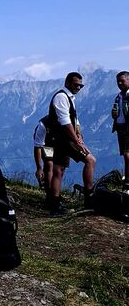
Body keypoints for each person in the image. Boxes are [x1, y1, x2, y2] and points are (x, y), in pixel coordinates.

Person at [47, 72, 96, 215]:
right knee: (90, 160)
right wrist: (77, 141)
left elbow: (74, 120)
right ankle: (89, 199)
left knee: (59, 170)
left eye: (81, 85)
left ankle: (55, 205)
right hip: (64, 139)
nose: (78, 88)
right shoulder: (62, 97)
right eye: (76, 85)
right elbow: (65, 122)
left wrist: (79, 133)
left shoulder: (69, 97)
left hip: (60, 139)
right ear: (67, 82)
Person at [111, 70, 129, 189]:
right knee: (125, 154)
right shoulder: (119, 96)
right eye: (118, 82)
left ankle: (127, 182)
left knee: (127, 155)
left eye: (122, 81)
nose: (120, 83)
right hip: (120, 128)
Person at [32, 115, 54, 196]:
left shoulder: (68, 118)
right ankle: (50, 193)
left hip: (58, 143)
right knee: (49, 164)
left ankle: (53, 190)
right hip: (47, 144)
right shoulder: (44, 124)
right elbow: (38, 147)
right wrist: (39, 168)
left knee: (58, 167)